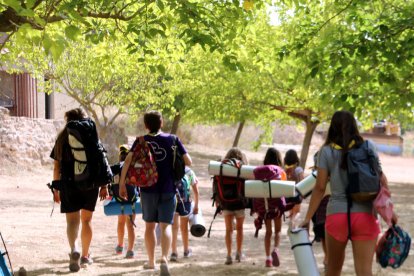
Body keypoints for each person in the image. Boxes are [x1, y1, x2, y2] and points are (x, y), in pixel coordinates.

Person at [299, 110, 398, 276]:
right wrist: (389, 212)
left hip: (337, 215)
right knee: (364, 271)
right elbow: (382, 181)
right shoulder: (369, 147)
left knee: (333, 270)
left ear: (332, 128)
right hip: (366, 215)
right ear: (354, 126)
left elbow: (320, 187)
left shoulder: (326, 152)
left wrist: (307, 218)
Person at [119, 110, 192, 276]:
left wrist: (122, 184)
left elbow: (127, 161)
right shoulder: (173, 139)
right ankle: (164, 258)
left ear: (146, 125)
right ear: (162, 123)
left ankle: (151, 261)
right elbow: (189, 161)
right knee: (165, 225)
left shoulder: (141, 141)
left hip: (147, 190)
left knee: (149, 226)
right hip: (169, 189)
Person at [50, 108, 108, 272]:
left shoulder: (62, 138)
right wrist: (104, 185)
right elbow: (101, 161)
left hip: (69, 183)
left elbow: (56, 166)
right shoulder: (91, 134)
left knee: (72, 221)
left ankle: (74, 249)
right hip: (91, 183)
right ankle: (85, 255)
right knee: (86, 220)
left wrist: (56, 188)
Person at [254, 147, 287, 267]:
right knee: (278, 231)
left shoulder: (259, 172)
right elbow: (285, 189)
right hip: (277, 207)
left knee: (268, 232)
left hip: (265, 207)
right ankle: (276, 250)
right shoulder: (281, 172)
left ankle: (268, 259)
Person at [221, 147, 248, 265]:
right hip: (239, 203)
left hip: (226, 203)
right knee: (240, 229)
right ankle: (239, 252)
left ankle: (228, 255)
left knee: (228, 230)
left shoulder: (222, 168)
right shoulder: (242, 169)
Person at [170, 167, 200, 262]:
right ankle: (186, 250)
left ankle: (174, 252)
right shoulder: (189, 171)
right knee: (184, 228)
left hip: (173, 201)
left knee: (174, 227)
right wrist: (196, 205)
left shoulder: (170, 169)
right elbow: (196, 191)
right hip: (185, 203)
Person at [111, 145, 136, 259]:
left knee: (121, 222)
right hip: (131, 200)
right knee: (130, 224)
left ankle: (120, 245)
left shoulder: (115, 167)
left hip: (119, 199)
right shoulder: (134, 167)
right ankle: (130, 250)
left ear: (120, 156)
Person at [283, 149, 304, 219]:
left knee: (291, 214)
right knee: (296, 214)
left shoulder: (284, 170)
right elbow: (302, 182)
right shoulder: (299, 169)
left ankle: (291, 228)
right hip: (297, 195)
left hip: (288, 194)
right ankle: (294, 228)